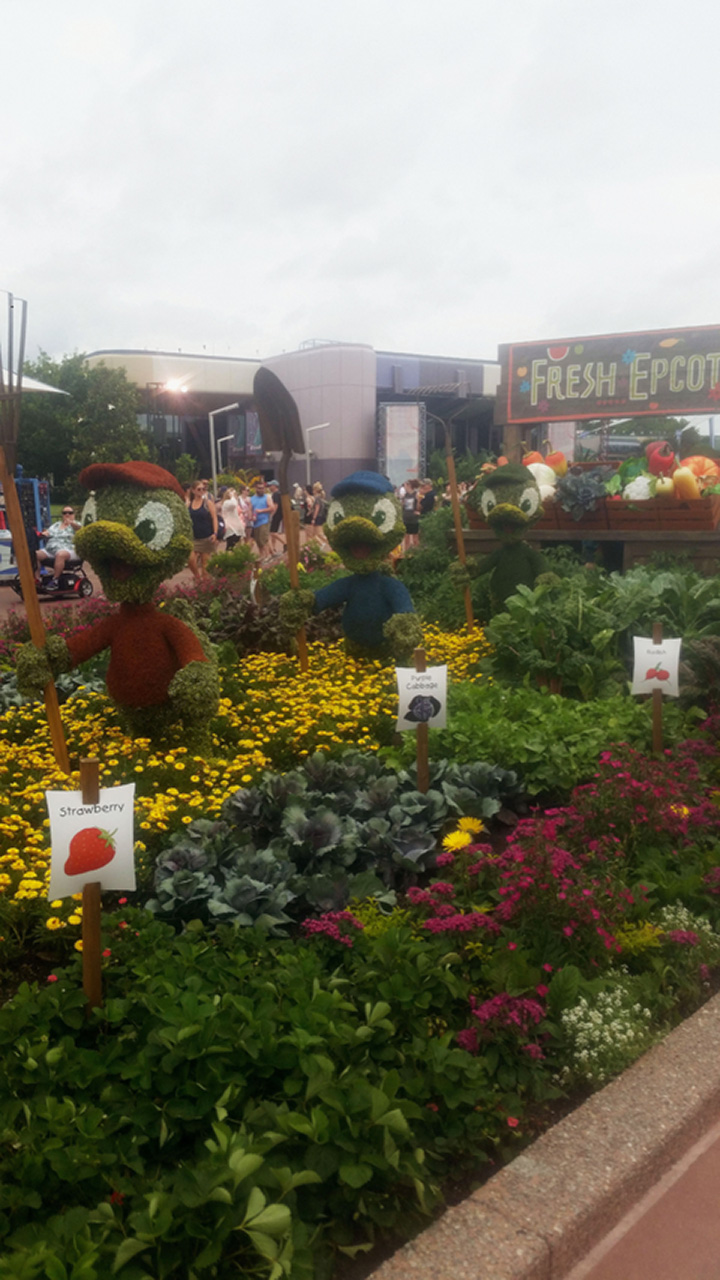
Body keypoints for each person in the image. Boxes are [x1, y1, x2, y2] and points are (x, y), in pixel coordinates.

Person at [36, 505, 81, 588]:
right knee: (35, 554)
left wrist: (71, 523)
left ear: (73, 514)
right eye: (65, 513)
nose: (67, 515)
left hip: (68, 549)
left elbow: (80, 529)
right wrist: (43, 534)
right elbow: (48, 532)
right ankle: (36, 579)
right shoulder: (56, 525)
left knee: (60, 554)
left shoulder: (76, 524)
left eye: (70, 513)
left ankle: (55, 580)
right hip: (51, 549)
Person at [187, 480, 218, 580]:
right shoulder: (189, 505)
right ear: (193, 491)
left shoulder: (207, 503)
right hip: (194, 537)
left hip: (206, 536)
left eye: (203, 489)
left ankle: (204, 588)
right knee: (190, 559)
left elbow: (214, 518)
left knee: (205, 566)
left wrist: (215, 533)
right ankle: (197, 576)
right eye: (198, 489)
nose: (201, 491)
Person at [249, 480, 273, 561]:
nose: (262, 490)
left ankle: (267, 555)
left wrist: (261, 511)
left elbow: (271, 508)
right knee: (258, 540)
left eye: (263, 488)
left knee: (264, 539)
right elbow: (250, 509)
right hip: (256, 522)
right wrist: (251, 516)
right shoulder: (252, 499)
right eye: (259, 488)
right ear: (256, 488)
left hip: (264, 521)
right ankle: (262, 555)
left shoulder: (267, 497)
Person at [221, 487, 245, 552]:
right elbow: (233, 504)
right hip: (231, 528)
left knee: (234, 546)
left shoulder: (232, 502)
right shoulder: (227, 503)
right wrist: (232, 496)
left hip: (235, 528)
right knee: (230, 546)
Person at [401, 479, 420, 550]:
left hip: (414, 519)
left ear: (409, 485)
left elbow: (419, 506)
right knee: (406, 537)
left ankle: (416, 553)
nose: (404, 487)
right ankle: (406, 553)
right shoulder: (405, 495)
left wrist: (418, 511)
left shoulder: (416, 494)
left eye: (405, 485)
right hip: (406, 517)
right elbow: (403, 506)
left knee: (415, 538)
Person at [267, 479, 284, 556]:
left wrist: (272, 514)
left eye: (271, 485)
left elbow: (275, 505)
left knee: (272, 532)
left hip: (277, 514)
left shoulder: (276, 494)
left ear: (274, 486)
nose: (269, 487)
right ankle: (273, 548)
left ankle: (285, 542)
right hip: (280, 514)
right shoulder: (279, 493)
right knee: (274, 532)